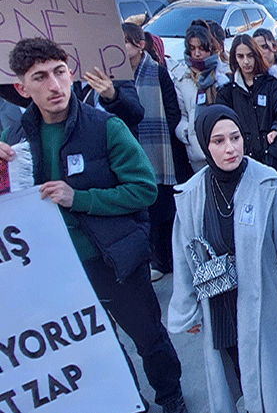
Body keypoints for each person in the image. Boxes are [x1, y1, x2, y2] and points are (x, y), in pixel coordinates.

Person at [1, 37, 187, 413]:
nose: (54, 85)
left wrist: (80, 199)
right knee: (98, 343)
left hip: (116, 260)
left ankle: (171, 396)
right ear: (22, 88)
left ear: (71, 73)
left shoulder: (105, 126)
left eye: (59, 72)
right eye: (40, 77)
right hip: (58, 269)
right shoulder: (15, 138)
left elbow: (143, 189)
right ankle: (129, 400)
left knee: (148, 337)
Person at [169, 105, 277, 413]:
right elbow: (184, 256)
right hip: (218, 299)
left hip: (260, 292)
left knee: (266, 362)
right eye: (218, 141)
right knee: (230, 359)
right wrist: (187, 308)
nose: (230, 148)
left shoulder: (266, 182)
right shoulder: (192, 193)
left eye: (235, 137)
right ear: (205, 145)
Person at [123, 22, 191, 282]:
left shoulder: (157, 73)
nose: (122, 47)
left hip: (161, 152)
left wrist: (170, 141)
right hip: (133, 149)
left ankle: (166, 260)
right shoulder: (118, 77)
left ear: (140, 45)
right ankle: (157, 259)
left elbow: (172, 109)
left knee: (164, 209)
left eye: (126, 42)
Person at [216, 34, 277, 183]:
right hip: (242, 164)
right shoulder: (227, 91)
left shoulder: (272, 84)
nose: (246, 61)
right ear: (234, 58)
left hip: (272, 163)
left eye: (250, 56)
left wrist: (273, 152)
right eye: (241, 56)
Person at [176, 21, 224, 172]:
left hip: (222, 145)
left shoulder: (223, 74)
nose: (197, 53)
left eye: (201, 48)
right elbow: (182, 113)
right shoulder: (182, 78)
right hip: (197, 149)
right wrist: (184, 132)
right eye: (192, 49)